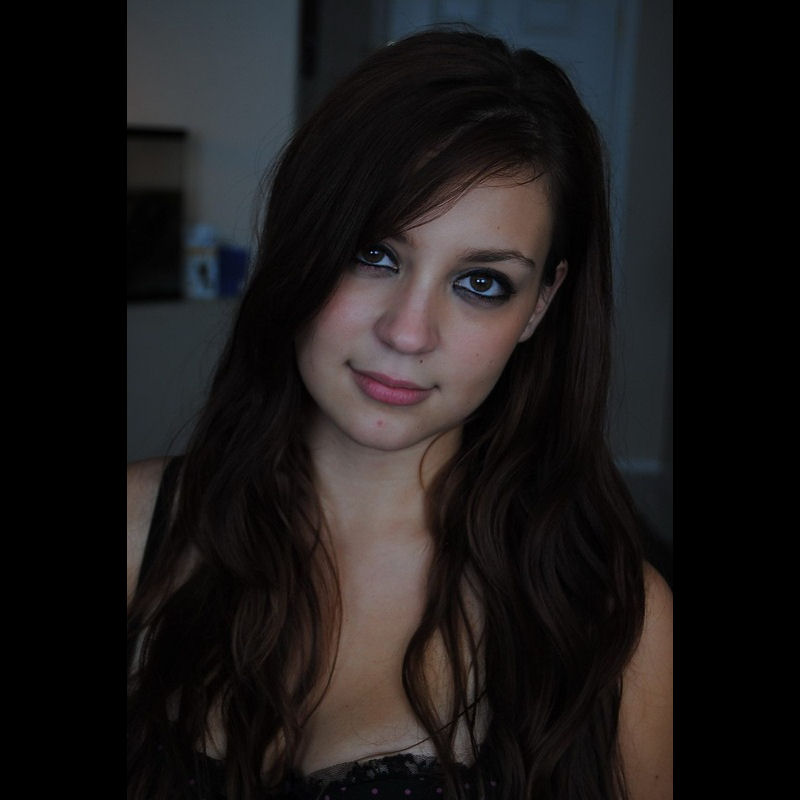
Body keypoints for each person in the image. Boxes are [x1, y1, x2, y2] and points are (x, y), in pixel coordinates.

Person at [127, 27, 672, 800]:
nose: (408, 333)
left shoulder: (622, 626)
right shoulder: (134, 533)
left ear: (539, 305)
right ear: (304, 240)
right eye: (374, 253)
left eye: (481, 283)